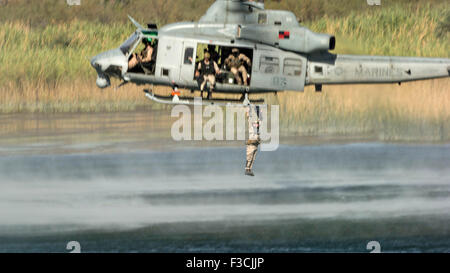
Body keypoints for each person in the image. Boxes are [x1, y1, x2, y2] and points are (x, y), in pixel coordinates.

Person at [245, 105, 261, 176]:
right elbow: (248, 114)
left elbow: (261, 117)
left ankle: (249, 169)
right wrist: (248, 107)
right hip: (252, 140)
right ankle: (247, 169)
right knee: (249, 156)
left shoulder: (259, 120)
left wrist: (259, 110)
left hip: (256, 140)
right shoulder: (251, 119)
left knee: (253, 157)